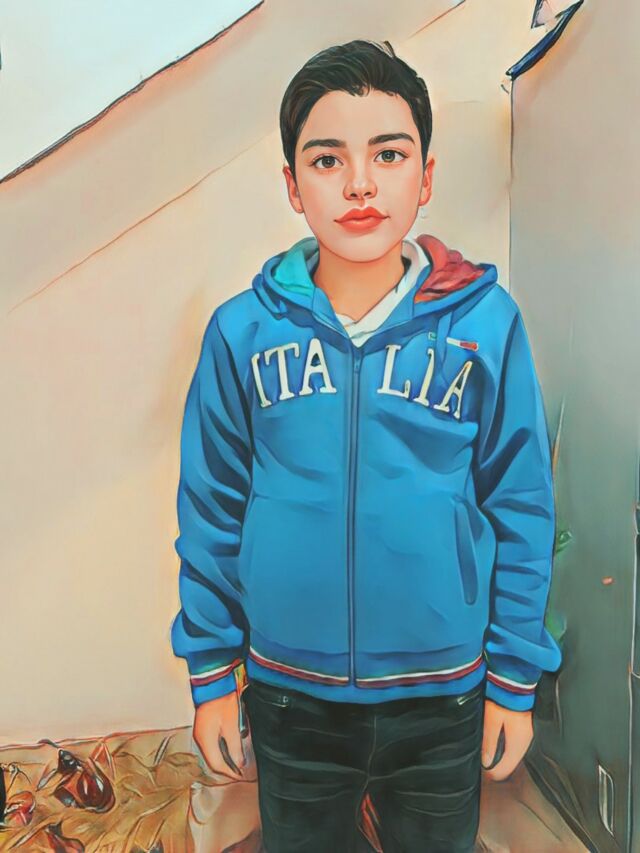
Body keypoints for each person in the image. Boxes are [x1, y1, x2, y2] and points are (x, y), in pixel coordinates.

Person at [170, 39, 562, 852]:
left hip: (444, 694)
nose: (359, 183)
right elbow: (211, 509)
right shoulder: (240, 334)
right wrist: (211, 673)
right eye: (327, 159)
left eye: (388, 154)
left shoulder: (488, 326)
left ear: (425, 176)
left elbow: (521, 503)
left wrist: (514, 677)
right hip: (289, 693)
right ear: (292, 184)